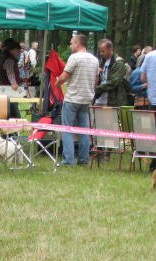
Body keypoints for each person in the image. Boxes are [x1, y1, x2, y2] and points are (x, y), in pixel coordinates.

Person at [55, 34, 99, 166]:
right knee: (84, 130)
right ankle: (83, 159)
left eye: (71, 43)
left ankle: (68, 160)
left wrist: (57, 83)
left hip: (72, 98)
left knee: (67, 129)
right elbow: (96, 81)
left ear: (77, 43)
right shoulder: (94, 60)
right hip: (86, 99)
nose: (70, 46)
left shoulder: (74, 58)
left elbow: (64, 77)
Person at [94, 39, 130, 107]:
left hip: (113, 100)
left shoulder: (119, 63)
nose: (101, 53)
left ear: (110, 49)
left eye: (103, 51)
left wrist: (97, 89)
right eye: (100, 51)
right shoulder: (101, 61)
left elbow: (114, 82)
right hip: (99, 99)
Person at [0, 38, 23, 118]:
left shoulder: (9, 59)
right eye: (18, 51)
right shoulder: (9, 60)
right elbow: (10, 72)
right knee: (14, 113)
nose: (19, 53)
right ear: (12, 50)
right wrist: (14, 83)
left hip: (8, 89)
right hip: (9, 90)